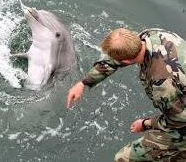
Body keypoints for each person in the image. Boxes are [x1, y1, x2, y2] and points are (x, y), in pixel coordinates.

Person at [66, 28, 186, 161]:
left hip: (181, 121)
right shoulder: (150, 35)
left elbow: (177, 120)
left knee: (124, 158)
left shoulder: (162, 83)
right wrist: (84, 83)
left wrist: (145, 124)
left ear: (127, 62)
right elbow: (114, 61)